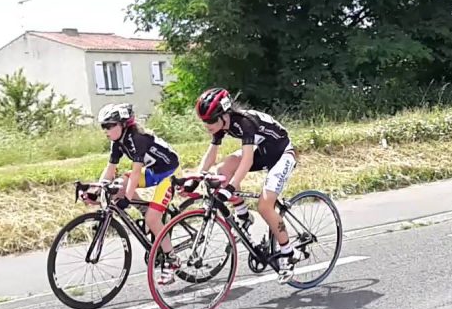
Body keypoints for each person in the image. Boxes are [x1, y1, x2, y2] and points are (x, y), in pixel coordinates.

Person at [192, 87, 299, 278]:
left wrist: (231, 187)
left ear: (224, 115)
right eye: (204, 121)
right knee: (222, 171)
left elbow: (247, 160)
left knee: (265, 206)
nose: (206, 125)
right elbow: (212, 153)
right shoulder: (222, 124)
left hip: (282, 154)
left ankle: (289, 253)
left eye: (209, 121)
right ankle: (242, 215)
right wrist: (198, 175)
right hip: (263, 151)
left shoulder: (245, 123)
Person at [84, 102, 183, 282]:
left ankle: (172, 258)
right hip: (153, 171)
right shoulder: (117, 142)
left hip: (169, 173)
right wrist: (97, 190)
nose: (105, 130)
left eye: (109, 126)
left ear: (123, 125)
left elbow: (136, 173)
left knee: (152, 219)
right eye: (103, 126)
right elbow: (110, 169)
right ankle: (145, 210)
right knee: (118, 185)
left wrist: (127, 199)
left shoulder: (137, 138)